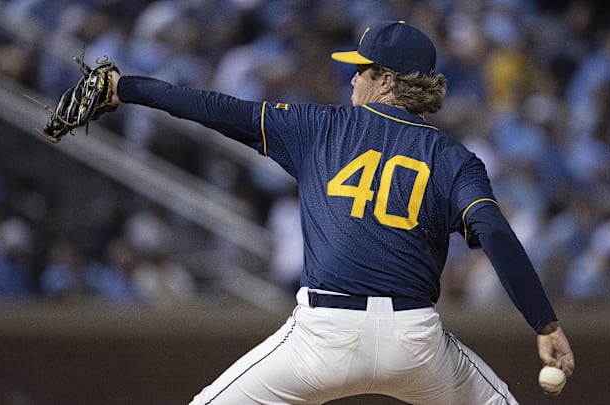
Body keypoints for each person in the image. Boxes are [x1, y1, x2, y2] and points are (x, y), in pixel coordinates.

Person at [107, 20, 574, 404]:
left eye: (362, 70)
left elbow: (212, 107)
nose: (352, 77)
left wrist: (123, 87)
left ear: (387, 80)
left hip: (322, 337)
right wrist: (544, 323)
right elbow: (493, 230)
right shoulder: (454, 158)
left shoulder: (318, 127)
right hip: (414, 343)